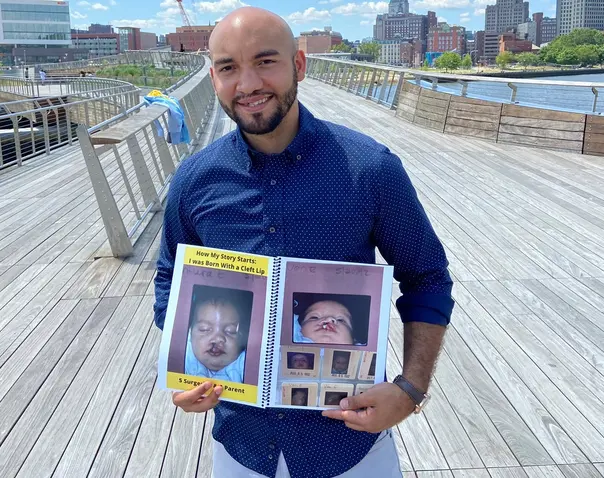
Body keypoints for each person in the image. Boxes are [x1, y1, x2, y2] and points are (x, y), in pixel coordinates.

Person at [153, 6, 454, 478]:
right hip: (242, 446)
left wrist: (410, 389)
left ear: (299, 64)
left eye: (265, 61)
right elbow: (171, 278)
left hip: (350, 443)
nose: (248, 83)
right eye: (229, 68)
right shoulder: (194, 181)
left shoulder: (371, 169)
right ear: (213, 78)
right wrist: (183, 363)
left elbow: (427, 277)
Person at [184, 287, 251, 383]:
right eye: (204, 329)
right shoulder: (185, 355)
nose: (217, 338)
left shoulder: (245, 364)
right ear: (190, 333)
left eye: (230, 331)